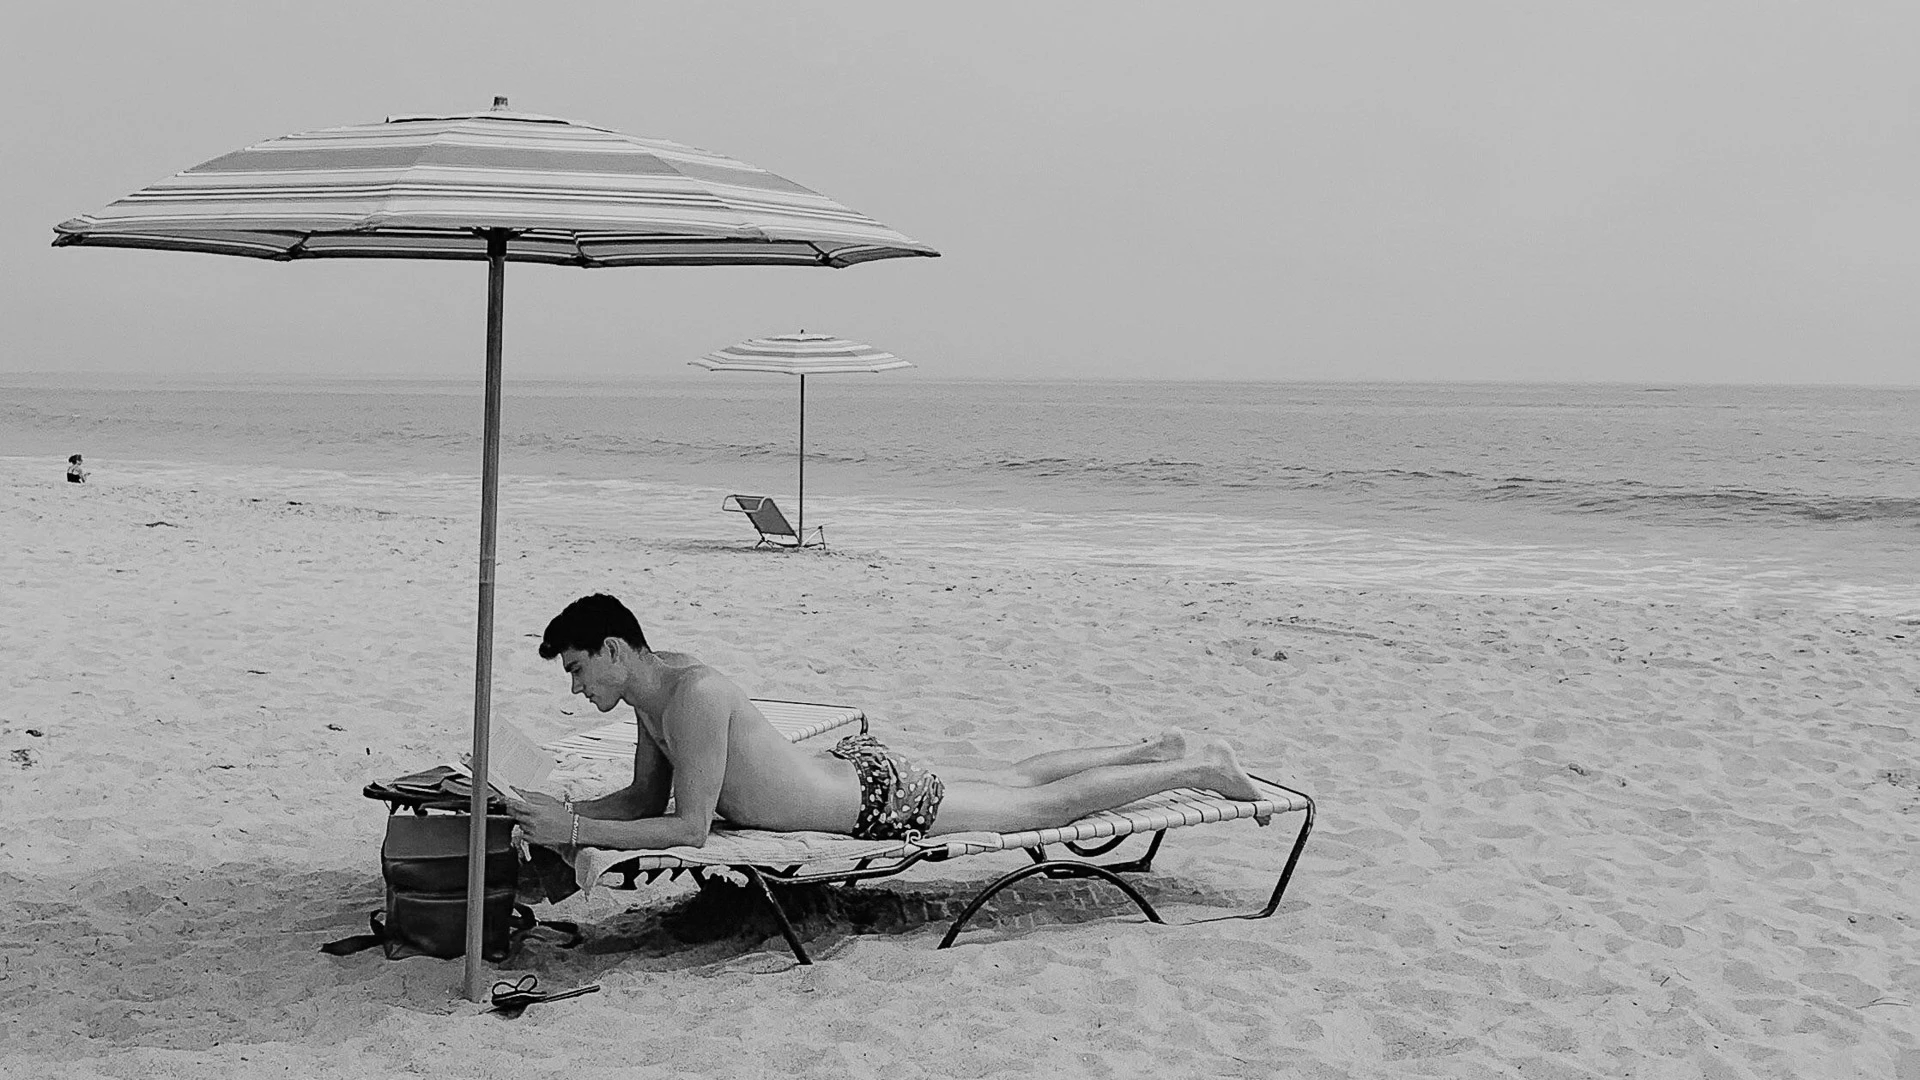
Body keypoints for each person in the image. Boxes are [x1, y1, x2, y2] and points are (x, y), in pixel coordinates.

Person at [503, 594, 1263, 855]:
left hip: (873, 802)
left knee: (1035, 808)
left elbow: (690, 827)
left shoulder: (693, 695)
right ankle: (1154, 747)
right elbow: (643, 799)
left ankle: (1198, 768)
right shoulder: (652, 694)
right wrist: (558, 809)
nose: (575, 687)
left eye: (577, 669)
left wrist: (577, 832)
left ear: (613, 650)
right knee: (1014, 777)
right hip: (852, 773)